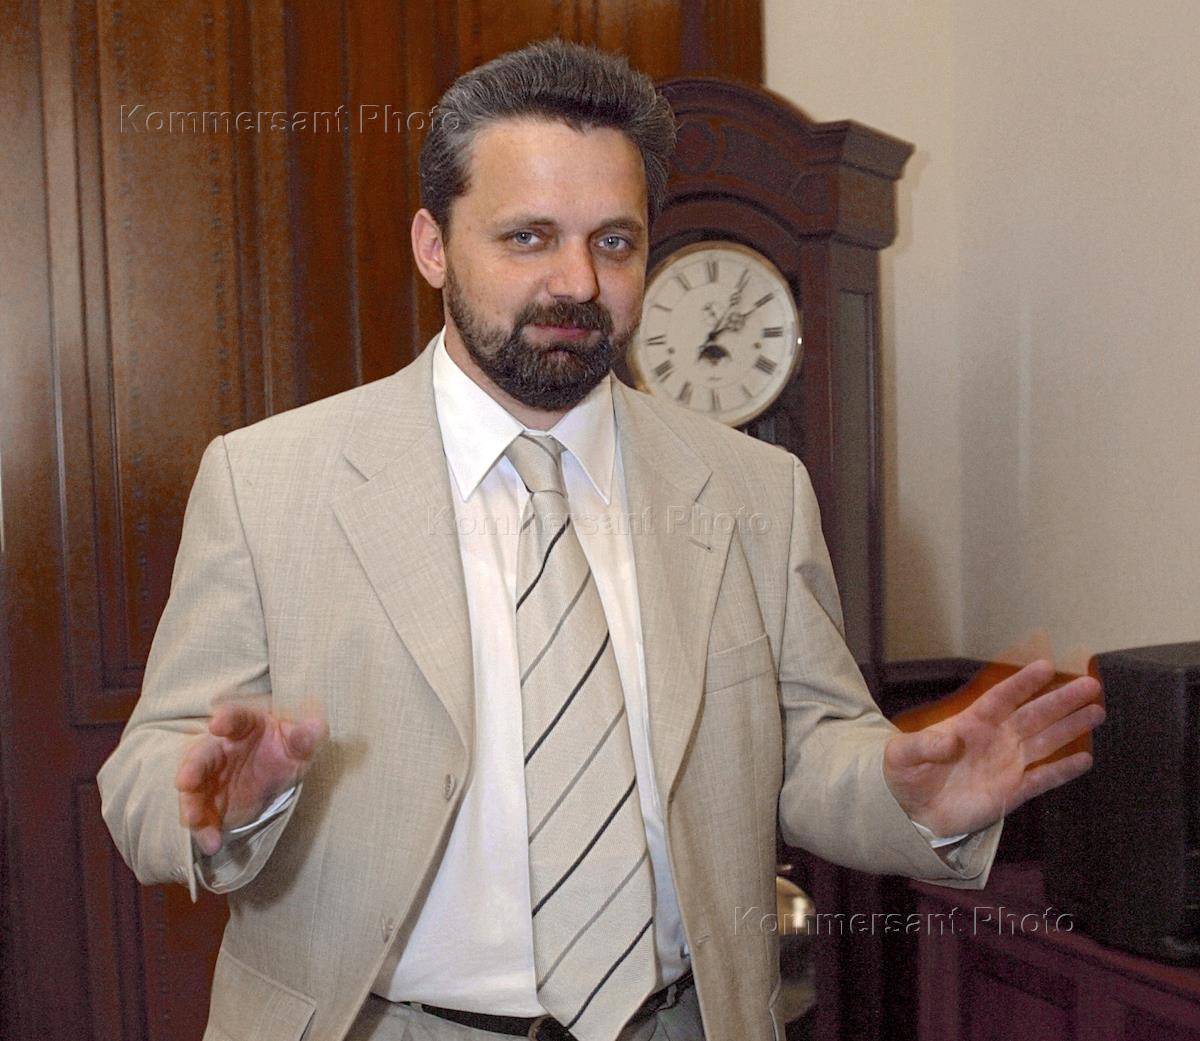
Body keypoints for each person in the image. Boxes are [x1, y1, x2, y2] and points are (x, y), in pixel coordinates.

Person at [98, 39, 1103, 1041]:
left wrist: (907, 793)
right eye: (528, 237)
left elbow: (808, 746)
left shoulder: (754, 490)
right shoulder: (267, 481)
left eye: (614, 242)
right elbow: (147, 773)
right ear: (433, 245)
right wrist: (222, 803)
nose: (577, 281)